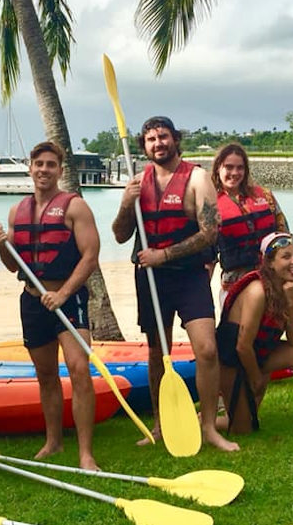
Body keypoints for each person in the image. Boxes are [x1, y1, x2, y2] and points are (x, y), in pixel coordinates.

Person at [111, 116, 239, 452]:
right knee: (157, 352)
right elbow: (120, 234)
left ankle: (209, 427)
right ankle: (160, 425)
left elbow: (210, 232)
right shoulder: (138, 182)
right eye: (151, 139)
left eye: (163, 137)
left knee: (207, 349)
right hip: (151, 279)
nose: (158, 144)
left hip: (189, 276)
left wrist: (164, 255)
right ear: (144, 145)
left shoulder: (197, 178)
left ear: (175, 139)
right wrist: (127, 202)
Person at [0, 141, 101, 470]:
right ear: (30, 167)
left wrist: (65, 293)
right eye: (39, 164)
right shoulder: (16, 211)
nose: (44, 169)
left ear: (60, 170)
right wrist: (2, 246)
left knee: (79, 370)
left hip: (68, 298)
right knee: (46, 375)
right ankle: (53, 442)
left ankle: (86, 453)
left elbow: (90, 257)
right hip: (33, 301)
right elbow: (13, 266)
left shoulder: (75, 207)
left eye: (51, 164)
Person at [216, 232, 293, 437]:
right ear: (269, 264)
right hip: (233, 359)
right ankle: (205, 420)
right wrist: (256, 378)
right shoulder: (257, 291)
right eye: (286, 257)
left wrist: (291, 303)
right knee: (243, 429)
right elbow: (242, 345)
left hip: (260, 354)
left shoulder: (288, 287)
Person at [211, 142, 289, 304]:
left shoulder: (266, 197)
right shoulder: (210, 205)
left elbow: (286, 240)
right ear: (218, 168)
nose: (234, 173)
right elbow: (207, 255)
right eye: (229, 167)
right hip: (235, 283)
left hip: (272, 279)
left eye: (240, 168)